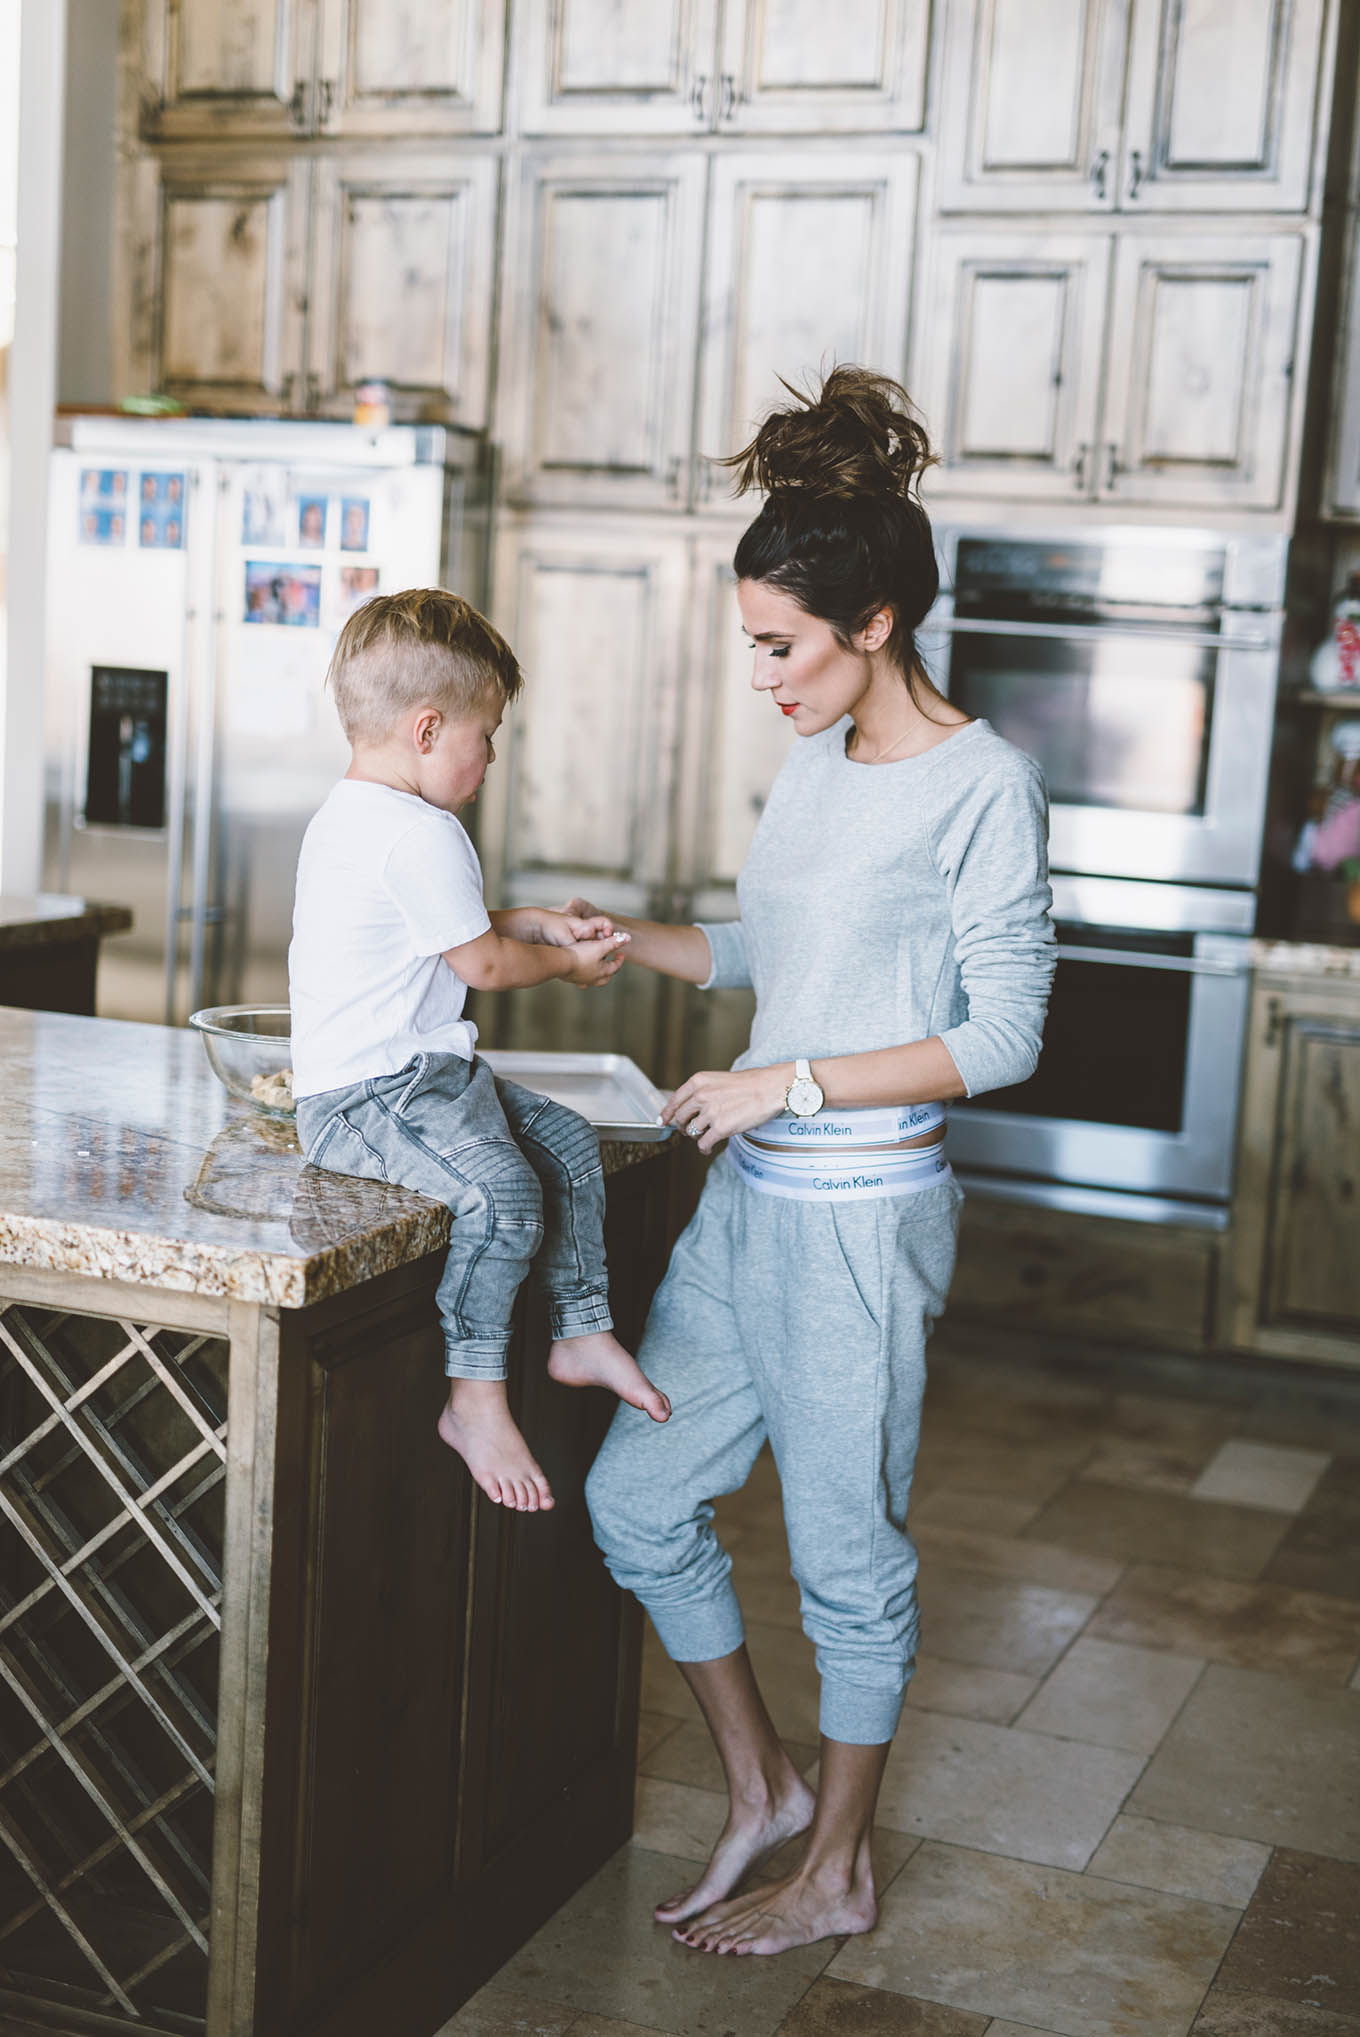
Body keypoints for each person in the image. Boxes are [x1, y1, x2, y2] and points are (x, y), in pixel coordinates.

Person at [581, 367, 1056, 1956]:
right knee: (640, 1496)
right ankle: (765, 1789)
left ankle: (839, 1870)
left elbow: (1000, 1038)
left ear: (874, 625)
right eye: (754, 647)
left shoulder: (982, 785)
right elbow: (772, 949)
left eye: (780, 647)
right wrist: (624, 945)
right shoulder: (815, 757)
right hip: (747, 1211)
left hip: (861, 1226)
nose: (763, 678)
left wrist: (783, 1081)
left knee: (849, 1560)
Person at [289, 588, 671, 1514]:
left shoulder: (360, 814)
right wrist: (564, 966)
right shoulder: (422, 833)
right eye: (487, 734)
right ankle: (473, 1396)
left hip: (422, 1082)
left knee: (569, 1146)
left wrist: (539, 919)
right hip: (367, 1100)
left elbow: (450, 928)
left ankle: (580, 1332)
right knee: (501, 1195)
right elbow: (486, 963)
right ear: (427, 730)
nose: (492, 757)